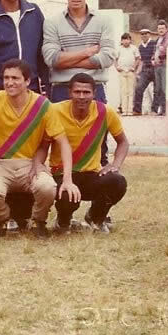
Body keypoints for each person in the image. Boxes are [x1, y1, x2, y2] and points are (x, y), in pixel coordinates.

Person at [0, 59, 80, 238]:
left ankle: (39, 221)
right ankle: (3, 220)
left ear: (27, 81)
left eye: (15, 78)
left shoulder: (43, 105)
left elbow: (63, 143)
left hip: (30, 164)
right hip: (0, 164)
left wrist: (68, 179)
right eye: (6, 78)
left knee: (47, 187)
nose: (9, 82)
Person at [42, 0, 115, 163]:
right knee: (59, 141)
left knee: (98, 142)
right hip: (61, 89)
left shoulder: (104, 21)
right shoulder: (52, 23)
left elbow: (107, 57)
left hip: (95, 88)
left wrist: (67, 59)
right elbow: (51, 59)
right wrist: (87, 52)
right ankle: (62, 186)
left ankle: (99, 187)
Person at [47, 73, 128, 234]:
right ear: (69, 92)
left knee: (117, 182)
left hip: (91, 175)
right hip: (62, 175)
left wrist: (115, 165)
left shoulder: (105, 112)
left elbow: (123, 142)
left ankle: (96, 218)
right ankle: (63, 221)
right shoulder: (54, 111)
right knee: (66, 196)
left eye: (86, 92)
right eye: (77, 92)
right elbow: (42, 143)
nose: (82, 97)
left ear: (94, 93)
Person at [151, 20, 168, 115]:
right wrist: (152, 59)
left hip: (164, 65)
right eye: (159, 28)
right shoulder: (158, 39)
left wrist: (159, 57)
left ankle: (165, 110)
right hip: (157, 65)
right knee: (158, 88)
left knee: (164, 88)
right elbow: (155, 51)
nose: (161, 30)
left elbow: (166, 50)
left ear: (166, 29)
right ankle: (161, 109)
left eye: (162, 28)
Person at [132, 28, 156, 115]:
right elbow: (141, 60)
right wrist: (138, 72)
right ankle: (137, 110)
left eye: (146, 33)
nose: (144, 35)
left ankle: (155, 110)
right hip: (145, 69)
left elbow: (155, 55)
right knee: (138, 88)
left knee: (157, 90)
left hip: (155, 68)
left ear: (149, 34)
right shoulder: (141, 46)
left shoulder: (154, 43)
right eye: (142, 34)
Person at [116, 33, 138, 116]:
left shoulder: (134, 48)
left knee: (130, 91)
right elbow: (115, 59)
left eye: (127, 39)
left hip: (130, 71)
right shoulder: (119, 49)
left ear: (130, 40)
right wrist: (117, 67)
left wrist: (133, 67)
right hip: (122, 71)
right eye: (124, 39)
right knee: (123, 91)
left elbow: (138, 58)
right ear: (121, 41)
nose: (126, 41)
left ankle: (130, 110)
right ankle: (124, 110)